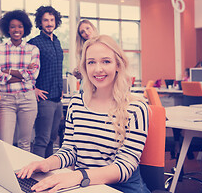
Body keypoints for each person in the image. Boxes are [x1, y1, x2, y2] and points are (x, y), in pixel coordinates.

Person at [17, 35, 150, 193]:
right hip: (84, 186)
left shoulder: (136, 108)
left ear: (118, 65)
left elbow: (125, 167)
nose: (98, 69)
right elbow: (70, 150)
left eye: (106, 61)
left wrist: (77, 176)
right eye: (91, 62)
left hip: (120, 189)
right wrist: (47, 163)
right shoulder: (77, 103)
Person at [0, 10, 40, 152]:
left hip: (28, 99)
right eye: (13, 26)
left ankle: (24, 173)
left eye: (20, 26)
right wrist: (24, 73)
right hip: (6, 101)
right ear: (7, 28)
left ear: (25, 28)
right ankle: (7, 174)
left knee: (25, 143)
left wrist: (9, 71)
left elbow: (34, 75)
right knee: (5, 143)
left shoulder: (33, 49)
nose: (16, 30)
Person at [27, 6, 63, 158]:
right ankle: (36, 172)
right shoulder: (34, 43)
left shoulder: (57, 42)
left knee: (52, 139)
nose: (49, 23)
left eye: (52, 20)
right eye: (45, 20)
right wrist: (32, 89)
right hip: (44, 99)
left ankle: (48, 170)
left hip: (57, 98)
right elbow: (24, 69)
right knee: (42, 139)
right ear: (40, 23)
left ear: (56, 22)